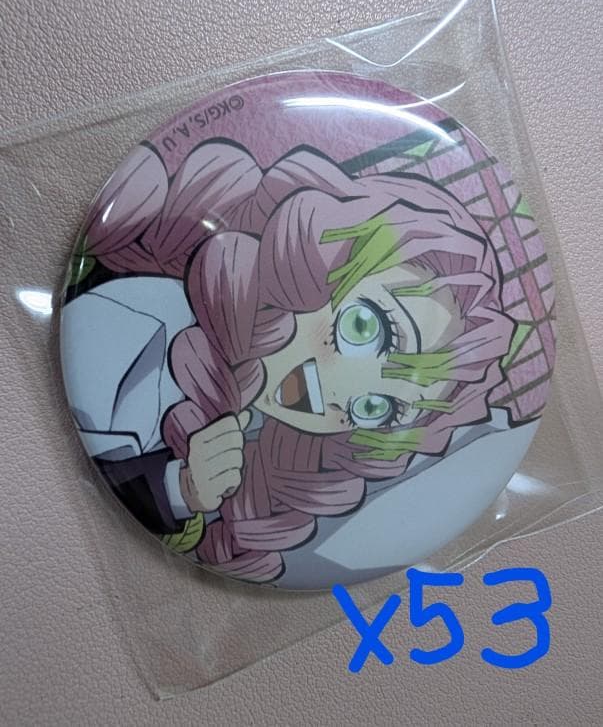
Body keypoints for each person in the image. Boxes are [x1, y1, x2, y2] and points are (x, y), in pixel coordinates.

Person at [61, 138, 517, 583]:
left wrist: (188, 490)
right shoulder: (143, 325)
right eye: (364, 326)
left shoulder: (266, 453)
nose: (334, 393)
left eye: (376, 407)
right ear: (318, 257)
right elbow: (104, 465)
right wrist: (176, 486)